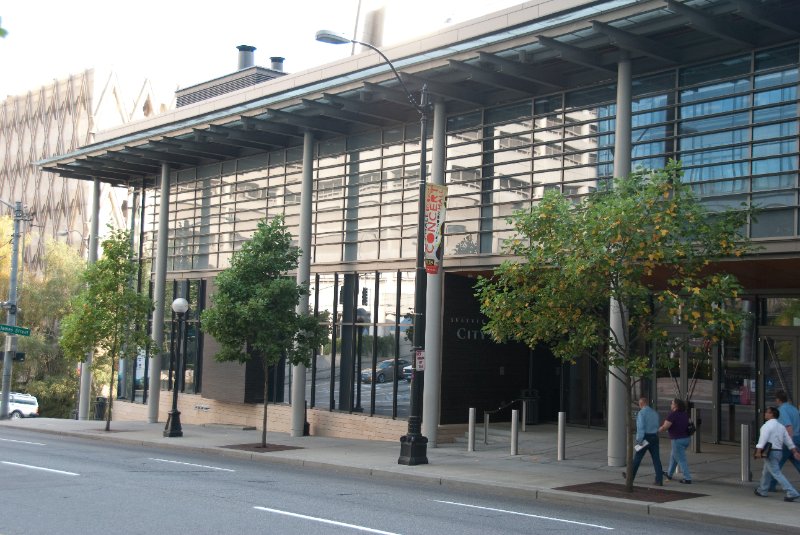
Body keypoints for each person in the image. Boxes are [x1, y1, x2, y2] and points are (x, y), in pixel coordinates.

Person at [753, 406, 800, 501]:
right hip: (778, 452)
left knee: (776, 473)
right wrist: (794, 451)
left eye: (767, 412)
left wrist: (758, 451)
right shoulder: (781, 427)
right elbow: (788, 441)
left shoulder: (767, 426)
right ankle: (763, 490)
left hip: (770, 452)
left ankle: (792, 492)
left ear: (772, 414)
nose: (765, 413)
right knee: (766, 471)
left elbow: (763, 439)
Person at [624, 396, 663, 486]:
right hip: (654, 437)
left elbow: (640, 428)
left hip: (645, 437)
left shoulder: (641, 413)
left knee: (637, 458)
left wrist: (639, 440)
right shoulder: (655, 413)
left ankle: (630, 477)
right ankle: (659, 479)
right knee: (656, 459)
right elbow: (657, 426)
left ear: (641, 404)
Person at [768, 391, 800, 492]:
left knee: (776, 464)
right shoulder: (794, 409)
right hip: (798, 438)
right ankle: (770, 485)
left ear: (778, 400)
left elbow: (788, 426)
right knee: (797, 462)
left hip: (789, 440)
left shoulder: (782, 410)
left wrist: (788, 442)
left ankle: (770, 485)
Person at [658, 397, 692, 484]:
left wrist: (657, 430)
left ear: (675, 405)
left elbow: (665, 426)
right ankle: (669, 474)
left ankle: (687, 478)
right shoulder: (685, 414)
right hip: (686, 439)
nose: (671, 404)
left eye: (672, 403)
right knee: (674, 457)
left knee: (681, 459)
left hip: (677, 440)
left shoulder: (672, 414)